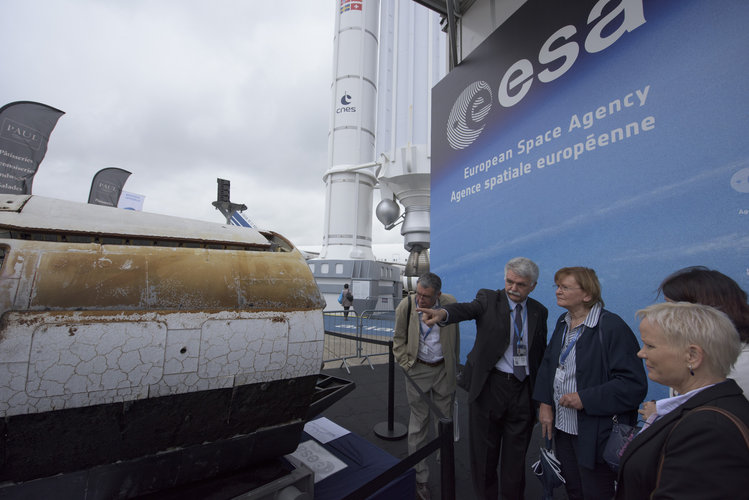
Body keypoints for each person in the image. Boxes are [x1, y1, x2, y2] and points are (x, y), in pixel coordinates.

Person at [419, 257, 548, 500]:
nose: (513, 288)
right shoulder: (489, 299)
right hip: (489, 388)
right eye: (509, 282)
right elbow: (467, 309)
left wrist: (541, 398)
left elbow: (539, 354)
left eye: (520, 284)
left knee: (515, 460)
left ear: (533, 285)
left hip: (522, 393)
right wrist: (443, 313)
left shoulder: (540, 312)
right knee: (484, 459)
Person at [533, 267, 647, 500]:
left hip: (596, 436)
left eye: (565, 287)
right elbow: (548, 364)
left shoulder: (611, 327)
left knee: (596, 492)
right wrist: (545, 403)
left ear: (587, 295)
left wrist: (584, 398)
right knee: (573, 489)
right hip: (564, 429)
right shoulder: (563, 322)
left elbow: (633, 385)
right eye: (557, 286)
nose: (557, 292)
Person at [616, 302, 749, 499]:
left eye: (650, 345)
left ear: (692, 356)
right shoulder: (704, 410)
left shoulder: (709, 428)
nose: (641, 353)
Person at [393, 272, 460, 500]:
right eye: (419, 294)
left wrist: (453, 365)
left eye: (427, 297)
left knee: (445, 420)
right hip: (418, 369)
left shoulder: (450, 303)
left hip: (443, 370)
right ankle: (420, 478)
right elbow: (398, 339)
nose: (421, 300)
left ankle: (446, 464)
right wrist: (406, 364)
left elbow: (456, 334)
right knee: (418, 423)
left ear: (438, 295)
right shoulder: (407, 306)